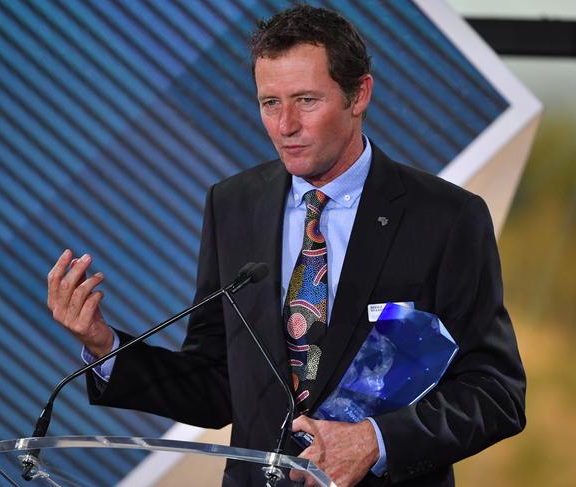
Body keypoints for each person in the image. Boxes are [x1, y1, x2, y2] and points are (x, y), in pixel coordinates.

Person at [47, 5, 525, 487]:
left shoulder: (444, 217)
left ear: (359, 94)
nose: (285, 125)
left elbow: (495, 392)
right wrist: (105, 346)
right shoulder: (233, 205)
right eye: (269, 103)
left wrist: (375, 440)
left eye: (306, 100)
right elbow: (218, 384)